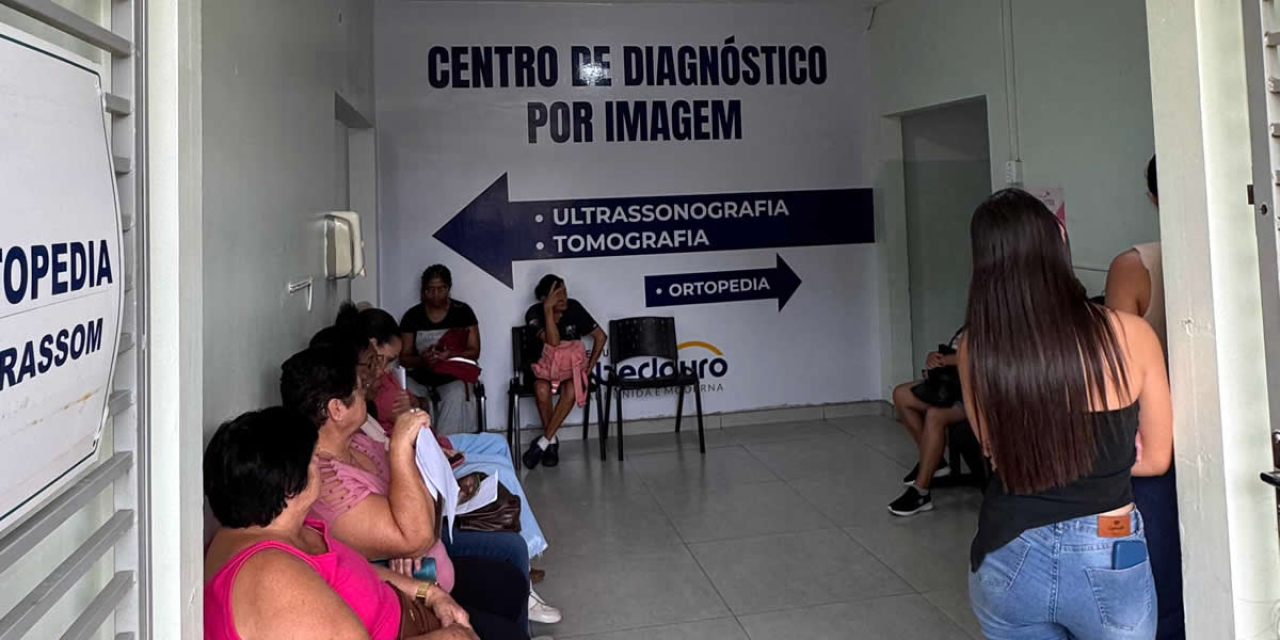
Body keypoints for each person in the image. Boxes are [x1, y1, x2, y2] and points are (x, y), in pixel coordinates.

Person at [960, 189, 1173, 639]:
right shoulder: (1130, 335)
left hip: (1008, 549)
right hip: (1108, 544)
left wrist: (1048, 454)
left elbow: (996, 453)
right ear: (1059, 240)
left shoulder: (976, 347)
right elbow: (1156, 459)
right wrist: (1108, 454)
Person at [280, 344, 530, 640]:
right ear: (337, 409)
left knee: (510, 583)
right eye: (359, 390)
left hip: (432, 568)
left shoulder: (357, 443)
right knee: (507, 624)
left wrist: (414, 534)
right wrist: (400, 447)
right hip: (409, 602)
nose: (366, 392)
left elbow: (427, 499)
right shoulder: (326, 483)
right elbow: (417, 534)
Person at [334, 304, 562, 624]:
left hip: (429, 448)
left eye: (386, 362)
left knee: (497, 446)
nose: (383, 370)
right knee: (497, 474)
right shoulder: (361, 409)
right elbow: (392, 478)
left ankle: (527, 554)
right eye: (381, 361)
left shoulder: (378, 387)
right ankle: (524, 563)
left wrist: (416, 407)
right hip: (422, 460)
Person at [203, 407, 477, 640]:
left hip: (412, 613)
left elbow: (351, 569)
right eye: (313, 459)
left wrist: (429, 593)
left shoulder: (276, 525)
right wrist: (453, 637)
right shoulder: (270, 575)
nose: (320, 463)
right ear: (289, 486)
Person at [1106, 155, 1185, 639]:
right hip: (1239, 433)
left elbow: (1120, 372)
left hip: (1155, 442)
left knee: (1154, 565)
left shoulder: (1134, 266)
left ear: (1153, 197)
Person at [521, 274, 607, 470]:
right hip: (542, 370)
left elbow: (601, 337)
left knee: (572, 389)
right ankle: (551, 443)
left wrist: (589, 366)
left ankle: (544, 443)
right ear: (544, 299)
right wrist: (547, 310)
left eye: (565, 292)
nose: (564, 297)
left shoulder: (574, 307)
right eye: (557, 294)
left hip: (570, 371)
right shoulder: (534, 312)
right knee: (542, 390)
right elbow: (553, 343)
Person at [887, 327, 967, 516]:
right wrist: (936, 360)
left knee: (935, 414)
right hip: (952, 386)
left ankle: (921, 492)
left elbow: (986, 357)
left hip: (975, 395)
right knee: (901, 394)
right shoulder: (970, 324)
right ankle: (935, 461)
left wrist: (946, 360)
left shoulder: (999, 322)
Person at [399, 265, 482, 436]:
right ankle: (420, 445)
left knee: (456, 393)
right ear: (423, 290)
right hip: (420, 377)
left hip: (453, 377)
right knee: (406, 394)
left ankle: (447, 443)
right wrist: (422, 360)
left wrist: (451, 355)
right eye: (430, 290)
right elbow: (404, 358)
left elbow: (474, 352)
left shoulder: (463, 312)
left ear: (448, 288)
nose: (436, 294)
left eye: (441, 289)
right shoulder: (412, 316)